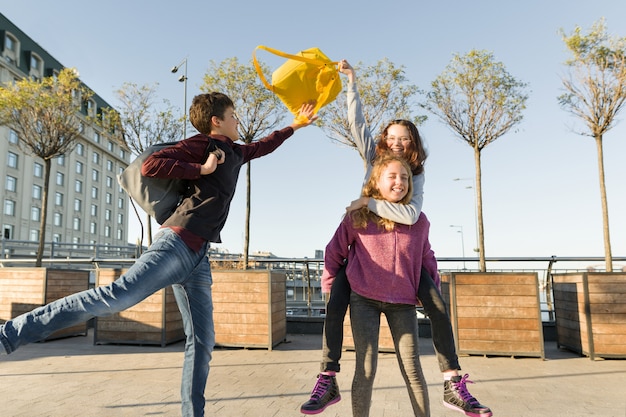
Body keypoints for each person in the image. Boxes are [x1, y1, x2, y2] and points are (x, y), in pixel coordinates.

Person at [0, 92, 318, 417]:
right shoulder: (203, 145)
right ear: (216, 120)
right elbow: (152, 165)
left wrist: (296, 124)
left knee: (202, 342)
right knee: (115, 296)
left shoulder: (235, 152)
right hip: (176, 243)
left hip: (197, 256)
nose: (239, 120)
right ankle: (9, 334)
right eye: (233, 114)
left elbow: (264, 145)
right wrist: (202, 168)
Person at [300, 61, 491, 417]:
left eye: (407, 139)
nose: (399, 143)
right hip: (363, 258)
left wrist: (368, 201)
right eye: (394, 137)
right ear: (383, 145)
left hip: (403, 264)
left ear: (413, 147)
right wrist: (352, 82)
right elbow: (357, 124)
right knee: (336, 302)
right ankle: (327, 375)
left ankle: (452, 378)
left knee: (436, 304)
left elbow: (411, 216)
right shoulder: (372, 163)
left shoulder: (415, 177)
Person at [323, 154, 434, 416]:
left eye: (405, 177)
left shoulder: (419, 221)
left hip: (403, 302)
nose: (400, 182)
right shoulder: (358, 217)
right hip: (364, 299)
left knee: (412, 368)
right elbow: (334, 251)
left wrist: (430, 294)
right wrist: (329, 287)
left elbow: (427, 257)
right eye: (392, 177)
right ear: (376, 183)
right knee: (366, 367)